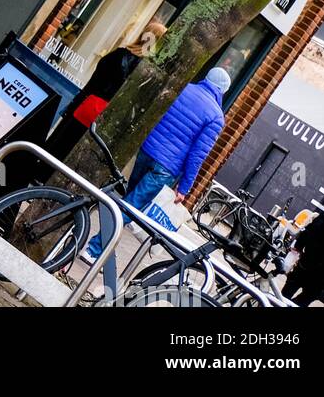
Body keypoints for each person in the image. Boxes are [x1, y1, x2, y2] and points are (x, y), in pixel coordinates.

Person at [85, 65, 229, 260]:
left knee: (129, 203)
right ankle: (93, 250)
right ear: (222, 91)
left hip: (147, 150)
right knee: (130, 207)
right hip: (167, 167)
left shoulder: (184, 87)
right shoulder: (216, 117)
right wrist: (185, 187)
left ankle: (104, 247)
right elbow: (197, 155)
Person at [46, 21, 166, 162]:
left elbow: (94, 81)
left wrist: (76, 102)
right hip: (107, 117)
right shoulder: (147, 71)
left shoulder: (119, 54)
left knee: (60, 144)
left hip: (89, 105)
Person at [283, 194, 324, 305]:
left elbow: (314, 227)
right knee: (306, 297)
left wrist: (299, 245)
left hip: (310, 259)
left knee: (288, 289)